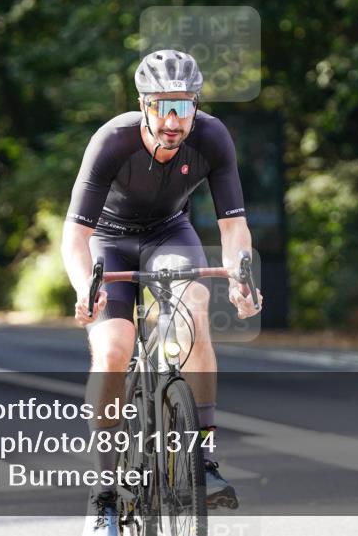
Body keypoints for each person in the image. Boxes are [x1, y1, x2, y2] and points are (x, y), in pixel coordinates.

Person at [62, 50, 263, 535]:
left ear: (197, 105)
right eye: (162, 106)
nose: (174, 120)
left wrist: (240, 275)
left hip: (169, 234)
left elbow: (233, 226)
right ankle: (104, 491)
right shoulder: (112, 140)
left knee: (194, 314)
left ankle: (205, 460)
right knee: (113, 349)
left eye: (185, 106)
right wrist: (84, 287)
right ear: (143, 105)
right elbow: (75, 235)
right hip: (108, 241)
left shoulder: (212, 136)